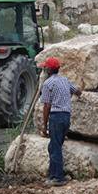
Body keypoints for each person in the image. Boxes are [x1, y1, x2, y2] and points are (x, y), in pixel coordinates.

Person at [38, 57, 82, 186]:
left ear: (48, 70)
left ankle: (58, 178)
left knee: (55, 147)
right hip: (66, 117)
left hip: (56, 117)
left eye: (45, 68)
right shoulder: (65, 80)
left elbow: (47, 106)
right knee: (53, 146)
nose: (44, 69)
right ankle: (52, 175)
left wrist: (44, 125)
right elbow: (78, 92)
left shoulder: (47, 84)